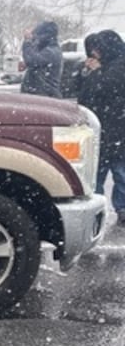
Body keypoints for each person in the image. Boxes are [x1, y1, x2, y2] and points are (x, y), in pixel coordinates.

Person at [73, 29, 125, 225]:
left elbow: (108, 86)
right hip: (101, 127)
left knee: (119, 171)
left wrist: (96, 72)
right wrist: (85, 72)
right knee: (98, 172)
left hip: (117, 126)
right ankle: (98, 206)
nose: (95, 54)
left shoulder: (118, 66)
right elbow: (84, 90)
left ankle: (121, 207)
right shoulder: (103, 67)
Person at [20, 20, 63, 98]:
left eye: (37, 35)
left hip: (44, 97)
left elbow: (31, 60)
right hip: (38, 96)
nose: (36, 38)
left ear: (46, 36)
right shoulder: (45, 49)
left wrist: (27, 41)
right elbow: (32, 59)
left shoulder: (51, 51)